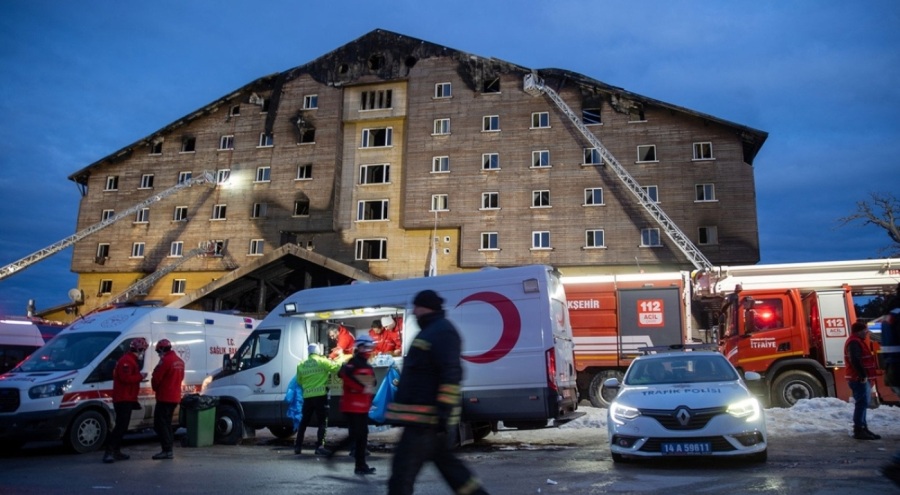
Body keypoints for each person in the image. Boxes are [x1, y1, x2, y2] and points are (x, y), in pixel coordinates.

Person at [386, 290, 489, 495]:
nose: (414, 311)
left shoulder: (441, 332)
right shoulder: (431, 331)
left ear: (426, 307)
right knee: (453, 472)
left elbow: (450, 377)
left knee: (401, 476)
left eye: (417, 306)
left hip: (425, 423)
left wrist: (442, 415)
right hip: (424, 422)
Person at [326, 334, 378, 475]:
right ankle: (335, 455)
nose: (369, 350)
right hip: (352, 406)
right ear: (360, 347)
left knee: (361, 436)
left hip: (362, 406)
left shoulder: (364, 364)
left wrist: (365, 383)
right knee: (356, 435)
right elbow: (343, 375)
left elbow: (373, 382)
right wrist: (361, 386)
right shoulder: (353, 363)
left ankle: (360, 466)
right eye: (367, 347)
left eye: (370, 347)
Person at [102, 337, 148, 463]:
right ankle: (110, 451)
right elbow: (126, 379)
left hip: (126, 397)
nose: (143, 353)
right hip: (123, 398)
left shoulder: (129, 360)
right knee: (120, 427)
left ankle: (115, 451)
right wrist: (140, 376)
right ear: (139, 349)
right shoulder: (127, 361)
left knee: (122, 426)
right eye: (143, 350)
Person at [295, 343, 340, 455]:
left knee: (304, 422)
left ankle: (298, 446)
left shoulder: (301, 364)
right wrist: (341, 358)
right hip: (320, 396)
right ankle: (319, 446)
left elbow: (299, 381)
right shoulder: (322, 361)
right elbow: (336, 368)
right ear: (318, 351)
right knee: (322, 422)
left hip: (307, 397)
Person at [844, 321, 880, 440]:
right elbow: (855, 360)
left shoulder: (857, 341)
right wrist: (863, 375)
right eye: (865, 331)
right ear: (859, 331)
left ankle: (863, 428)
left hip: (859, 378)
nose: (867, 333)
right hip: (858, 378)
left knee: (863, 403)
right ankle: (859, 429)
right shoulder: (854, 342)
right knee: (862, 403)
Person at [151, 338, 185, 459]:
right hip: (175, 397)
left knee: (160, 424)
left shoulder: (165, 361)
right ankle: (168, 447)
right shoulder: (180, 361)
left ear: (161, 349)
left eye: (158, 352)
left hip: (164, 397)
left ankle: (167, 449)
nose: (158, 354)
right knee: (167, 423)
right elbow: (180, 378)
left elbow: (156, 378)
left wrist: (155, 387)